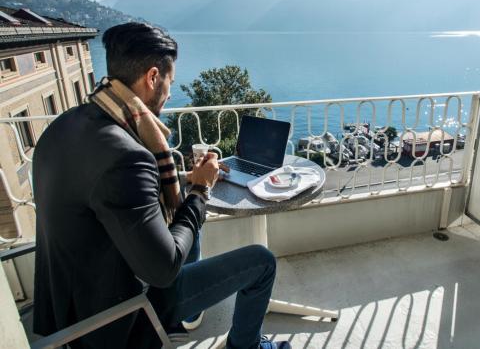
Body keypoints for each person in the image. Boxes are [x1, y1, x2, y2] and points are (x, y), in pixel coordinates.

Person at [32, 23, 291, 349]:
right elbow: (164, 270)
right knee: (261, 261)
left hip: (66, 302)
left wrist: (186, 181)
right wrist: (200, 190)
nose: (169, 93)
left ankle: (194, 311)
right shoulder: (125, 157)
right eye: (170, 81)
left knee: (188, 222)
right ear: (153, 77)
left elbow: (105, 196)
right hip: (120, 314)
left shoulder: (66, 125)